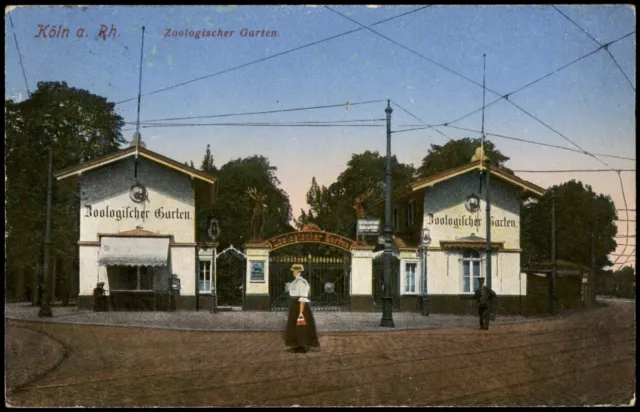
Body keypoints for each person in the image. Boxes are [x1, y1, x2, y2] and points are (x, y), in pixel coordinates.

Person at [285, 264, 320, 353]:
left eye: (295, 271)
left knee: (301, 325)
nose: (293, 272)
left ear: (298, 272)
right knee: (294, 325)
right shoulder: (295, 281)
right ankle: (296, 345)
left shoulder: (302, 282)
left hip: (300, 305)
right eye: (293, 271)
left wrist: (301, 312)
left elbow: (303, 298)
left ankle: (303, 346)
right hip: (294, 305)